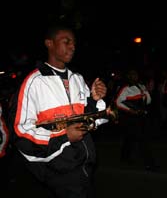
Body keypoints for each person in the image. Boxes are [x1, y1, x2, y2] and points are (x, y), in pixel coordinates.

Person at [8, 24, 108, 198]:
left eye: (74, 43)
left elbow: (88, 118)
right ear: (49, 43)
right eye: (66, 41)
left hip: (85, 163)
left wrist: (94, 99)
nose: (73, 46)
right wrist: (64, 137)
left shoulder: (77, 78)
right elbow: (20, 133)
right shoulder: (34, 82)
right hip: (60, 170)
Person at [115, 68, 157, 171]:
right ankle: (148, 163)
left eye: (136, 74)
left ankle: (125, 157)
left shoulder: (141, 86)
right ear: (129, 76)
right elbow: (118, 102)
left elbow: (148, 101)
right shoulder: (126, 88)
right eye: (132, 74)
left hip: (141, 116)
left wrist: (145, 94)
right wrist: (131, 110)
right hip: (131, 118)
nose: (135, 76)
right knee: (140, 139)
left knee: (131, 138)